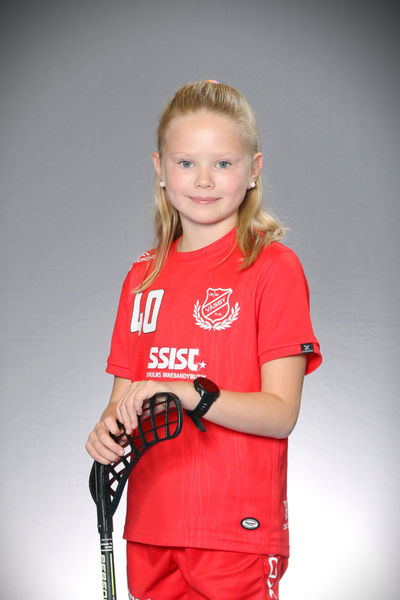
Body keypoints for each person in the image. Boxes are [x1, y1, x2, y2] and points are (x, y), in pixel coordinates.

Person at [86, 80, 322, 600]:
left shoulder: (273, 267)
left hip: (234, 529)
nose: (204, 180)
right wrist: (106, 432)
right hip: (150, 526)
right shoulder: (142, 276)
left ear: (254, 169)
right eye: (186, 162)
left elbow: (281, 413)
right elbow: (121, 403)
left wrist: (189, 391)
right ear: (160, 168)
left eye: (224, 163)